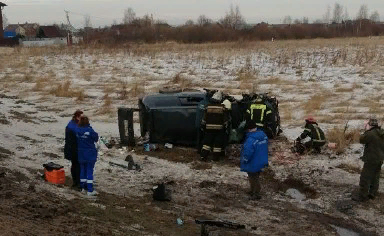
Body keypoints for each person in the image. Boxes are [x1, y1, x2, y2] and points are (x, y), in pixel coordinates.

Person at [352, 119, 384, 202]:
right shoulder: (381, 132)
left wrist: (366, 130)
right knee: (375, 176)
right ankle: (372, 193)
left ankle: (362, 196)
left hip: (371, 159)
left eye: (366, 125)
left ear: (370, 125)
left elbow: (361, 140)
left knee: (365, 177)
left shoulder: (370, 133)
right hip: (380, 159)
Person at [240, 123, 269, 200]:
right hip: (261, 160)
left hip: (253, 161)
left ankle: (256, 193)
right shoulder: (263, 136)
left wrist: (245, 159)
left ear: (248, 130)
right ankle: (253, 190)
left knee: (253, 177)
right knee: (256, 176)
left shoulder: (251, 139)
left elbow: (248, 151)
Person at [200, 91, 230, 161]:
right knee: (217, 144)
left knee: (207, 143)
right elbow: (225, 120)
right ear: (220, 99)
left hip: (208, 128)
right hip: (219, 129)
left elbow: (204, 118)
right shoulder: (222, 108)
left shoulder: (207, 107)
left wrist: (203, 125)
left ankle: (203, 156)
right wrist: (226, 126)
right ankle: (215, 158)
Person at [76, 115, 99, 196]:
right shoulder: (90, 130)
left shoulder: (77, 130)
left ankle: (83, 188)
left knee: (82, 170)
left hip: (81, 153)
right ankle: (90, 189)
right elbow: (96, 138)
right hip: (90, 153)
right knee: (89, 171)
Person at [64, 110, 83, 190]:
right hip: (73, 149)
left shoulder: (72, 124)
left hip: (73, 148)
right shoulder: (73, 126)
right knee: (77, 166)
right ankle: (77, 183)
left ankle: (76, 183)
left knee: (75, 165)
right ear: (77, 117)